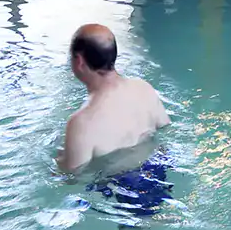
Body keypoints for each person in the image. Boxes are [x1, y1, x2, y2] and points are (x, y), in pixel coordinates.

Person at [57, 24, 170, 175]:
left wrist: (58, 159)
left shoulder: (81, 123)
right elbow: (166, 128)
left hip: (118, 189)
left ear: (79, 61)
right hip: (159, 170)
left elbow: (70, 178)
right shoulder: (144, 89)